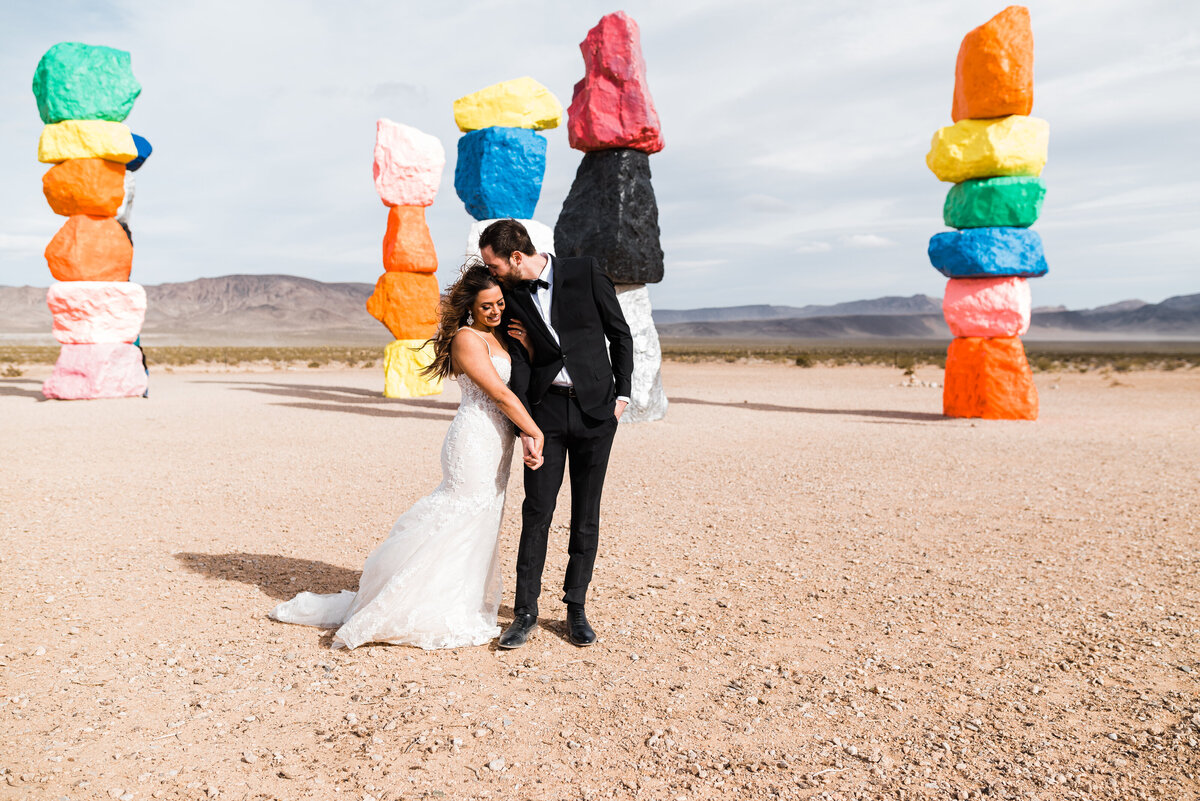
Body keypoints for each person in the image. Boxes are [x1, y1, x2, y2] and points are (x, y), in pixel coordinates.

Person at [269, 264, 544, 649]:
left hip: (498, 442)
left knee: (482, 517)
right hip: (474, 439)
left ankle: (457, 600)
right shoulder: (467, 339)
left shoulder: (497, 335)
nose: (496, 311)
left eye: (499, 303)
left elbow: (515, 381)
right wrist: (534, 430)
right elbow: (499, 394)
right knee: (459, 513)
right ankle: (418, 606)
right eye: (486, 307)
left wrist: (527, 348)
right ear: (469, 308)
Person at [477, 219, 633, 649]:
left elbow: (619, 333)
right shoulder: (507, 294)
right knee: (537, 512)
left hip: (597, 412)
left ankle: (576, 609)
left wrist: (623, 396)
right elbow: (520, 362)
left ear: (516, 257)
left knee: (586, 514)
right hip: (545, 414)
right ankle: (526, 612)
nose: (491, 271)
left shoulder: (585, 271)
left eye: (493, 264)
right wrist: (525, 423)